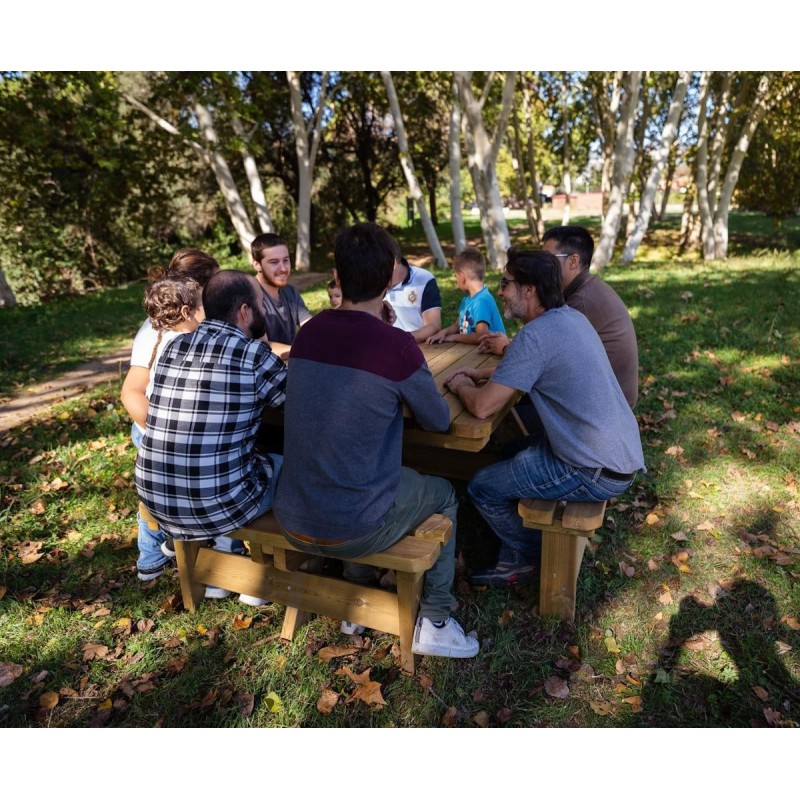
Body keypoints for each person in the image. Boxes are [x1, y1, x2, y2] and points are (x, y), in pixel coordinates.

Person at [273, 221, 479, 659]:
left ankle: (357, 595)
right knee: (444, 493)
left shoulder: (308, 334)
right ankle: (436, 621)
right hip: (356, 525)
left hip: (292, 514)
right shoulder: (395, 346)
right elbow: (438, 420)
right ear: (390, 277)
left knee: (351, 474)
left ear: (338, 276)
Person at [444, 249, 645, 587]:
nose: (501, 292)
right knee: (509, 451)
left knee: (482, 486)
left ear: (530, 289)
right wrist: (485, 374)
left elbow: (482, 408)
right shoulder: (569, 318)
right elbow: (536, 365)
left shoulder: (535, 336)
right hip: (618, 455)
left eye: (506, 283)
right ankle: (516, 537)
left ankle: (532, 554)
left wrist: (461, 385)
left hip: (592, 470)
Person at [135, 269, 288, 605]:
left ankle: (236, 565)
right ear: (245, 311)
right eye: (261, 304)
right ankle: (284, 568)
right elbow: (299, 407)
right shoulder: (252, 354)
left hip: (157, 498)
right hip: (214, 505)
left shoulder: (174, 347)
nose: (264, 311)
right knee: (290, 467)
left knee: (239, 458)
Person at [121, 248, 219, 582]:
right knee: (157, 496)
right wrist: (159, 432)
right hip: (153, 426)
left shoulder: (194, 323)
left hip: (176, 426)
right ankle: (152, 556)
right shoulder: (156, 331)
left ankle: (182, 543)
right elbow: (132, 391)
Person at [478, 225, 639, 407]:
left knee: (503, 405)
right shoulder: (585, 289)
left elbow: (537, 360)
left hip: (606, 403)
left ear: (573, 261)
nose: (542, 264)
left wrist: (506, 348)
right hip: (603, 396)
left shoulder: (579, 305)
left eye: (549, 258)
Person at [425, 247, 505, 345]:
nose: (456, 280)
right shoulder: (467, 300)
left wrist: (453, 337)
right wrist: (444, 332)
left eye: (456, 276)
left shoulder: (482, 301)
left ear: (462, 276)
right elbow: (457, 325)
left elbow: (481, 336)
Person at [251, 232, 312, 360]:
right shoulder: (248, 295)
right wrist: (303, 351)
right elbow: (260, 347)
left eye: (286, 260)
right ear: (257, 265)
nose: (283, 268)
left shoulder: (290, 292)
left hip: (292, 364)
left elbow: (311, 328)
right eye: (274, 262)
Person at [385, 239, 442, 342]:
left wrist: (400, 339)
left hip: (417, 347)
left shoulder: (424, 279)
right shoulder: (370, 282)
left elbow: (433, 326)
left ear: (393, 263)